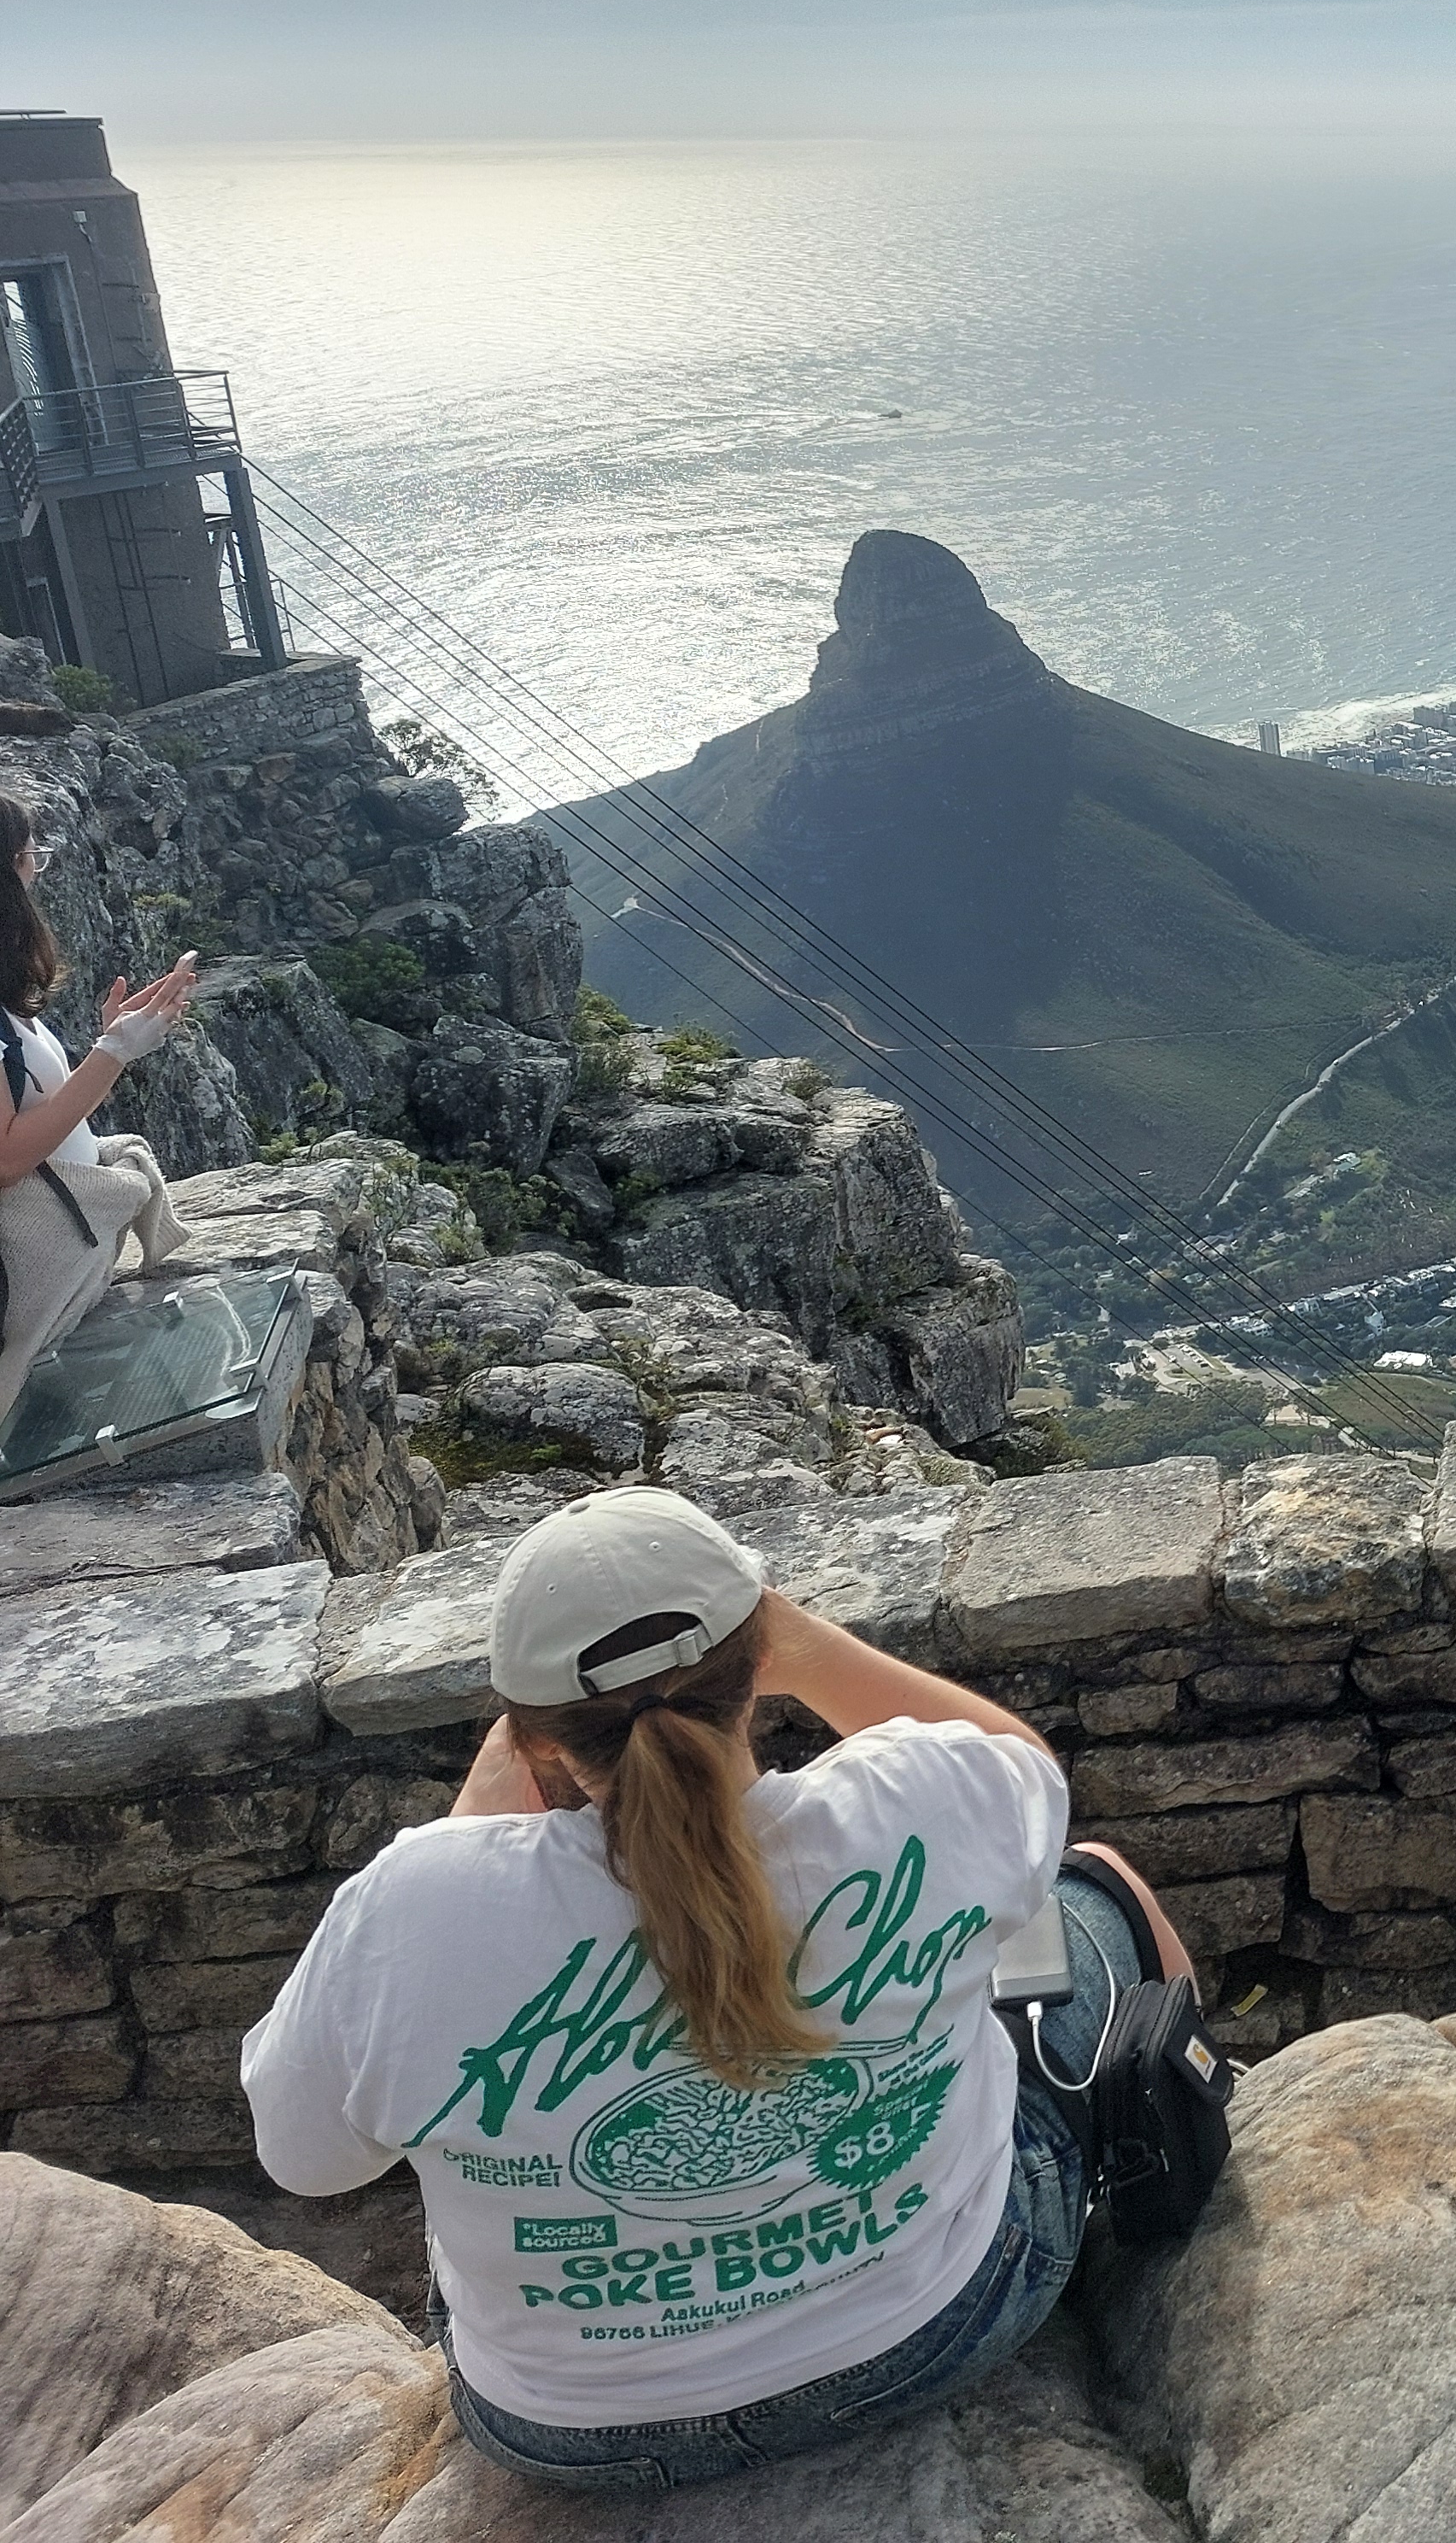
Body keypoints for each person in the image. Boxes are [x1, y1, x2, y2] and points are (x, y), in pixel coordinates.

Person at [243, 1489, 1196, 2493]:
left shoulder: (410, 1915)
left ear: (535, 1736)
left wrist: (478, 1814)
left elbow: (303, 2162)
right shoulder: (918, 1802)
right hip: (935, 2328)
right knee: (1093, 1887)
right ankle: (1189, 2139)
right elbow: (1027, 1774)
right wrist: (804, 1644)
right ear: (759, 1664)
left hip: (568, 2434)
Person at [1, 787, 197, 1422]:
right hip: (34, 1280)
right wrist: (113, 1052)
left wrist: (109, 1043)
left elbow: (34, 1105)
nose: (37, 871)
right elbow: (5, 1159)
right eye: (32, 856)